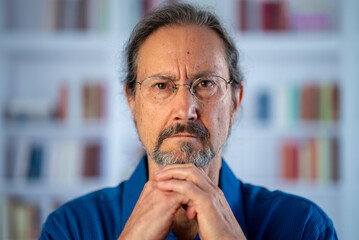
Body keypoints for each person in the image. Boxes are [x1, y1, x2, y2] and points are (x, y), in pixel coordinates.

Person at [40, 3, 337, 240]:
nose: (185, 109)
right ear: (132, 101)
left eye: (206, 83)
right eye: (161, 86)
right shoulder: (69, 229)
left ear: (235, 101)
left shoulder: (305, 228)